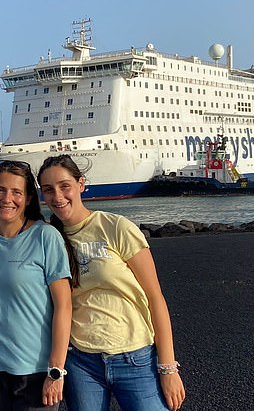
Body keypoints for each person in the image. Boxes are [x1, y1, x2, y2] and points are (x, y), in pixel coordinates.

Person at [37, 155, 186, 411]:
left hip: (136, 357)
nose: (57, 196)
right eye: (48, 190)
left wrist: (168, 367)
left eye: (65, 186)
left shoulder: (115, 227)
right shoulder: (48, 238)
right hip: (82, 362)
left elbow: (154, 297)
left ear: (81, 184)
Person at [0, 160, 72, 411]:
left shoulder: (45, 236)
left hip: (34, 371)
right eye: (0, 190)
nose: (7, 199)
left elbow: (64, 307)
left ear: (28, 199)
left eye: (17, 192)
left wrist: (56, 371)